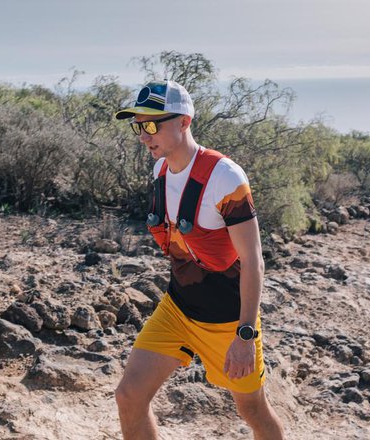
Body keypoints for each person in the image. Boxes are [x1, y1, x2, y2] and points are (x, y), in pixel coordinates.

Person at [113, 79, 284, 440]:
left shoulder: (225, 177)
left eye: (152, 124)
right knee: (129, 395)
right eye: (138, 125)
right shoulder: (160, 171)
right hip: (178, 308)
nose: (144, 135)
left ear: (184, 122)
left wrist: (244, 334)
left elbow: (253, 261)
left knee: (252, 410)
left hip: (228, 321)